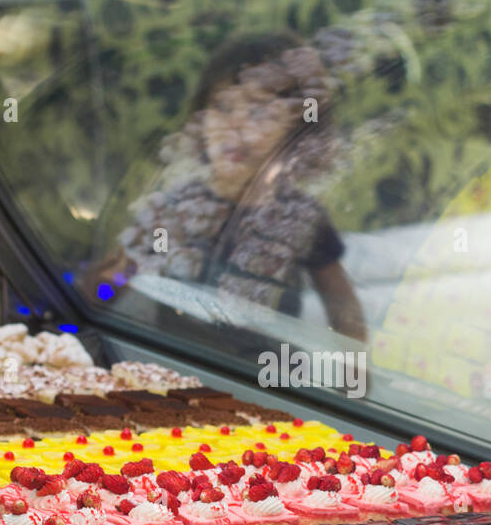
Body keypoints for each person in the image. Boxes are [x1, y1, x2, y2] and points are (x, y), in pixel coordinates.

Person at [87, 31, 366, 342]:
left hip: (263, 380)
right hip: (173, 372)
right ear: (200, 117)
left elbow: (342, 307)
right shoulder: (174, 208)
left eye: (258, 112)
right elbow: (109, 284)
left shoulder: (301, 217)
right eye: (222, 106)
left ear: (297, 130)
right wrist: (99, 292)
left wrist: (352, 374)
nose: (235, 125)